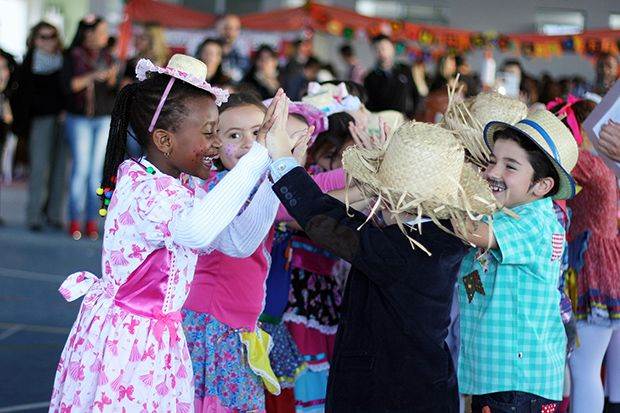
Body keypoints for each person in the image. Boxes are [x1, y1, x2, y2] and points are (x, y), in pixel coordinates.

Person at [49, 54, 282, 412]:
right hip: (129, 343)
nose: (217, 144)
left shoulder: (180, 185)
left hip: (158, 338)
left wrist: (272, 171)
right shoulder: (146, 190)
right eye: (209, 132)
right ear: (164, 140)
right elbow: (198, 232)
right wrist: (257, 157)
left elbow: (238, 242)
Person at [264, 112, 498, 411]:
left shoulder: (401, 249)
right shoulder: (443, 235)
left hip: (390, 396)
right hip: (424, 388)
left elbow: (326, 219)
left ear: (388, 199)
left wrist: (283, 160)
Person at [456, 110, 578, 412]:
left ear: (542, 186)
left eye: (510, 166)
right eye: (491, 161)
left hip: (517, 383)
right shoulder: (503, 213)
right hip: (502, 379)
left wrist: (438, 193)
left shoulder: (535, 221)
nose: (492, 172)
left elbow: (469, 231)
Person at [182, 92, 296, 412]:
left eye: (259, 132)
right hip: (213, 326)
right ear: (215, 145)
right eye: (235, 135)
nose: (249, 144)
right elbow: (300, 204)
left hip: (239, 325)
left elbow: (310, 196)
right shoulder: (222, 187)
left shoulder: (259, 183)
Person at [546, 98, 620, 413]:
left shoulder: (589, 162)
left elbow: (547, 158)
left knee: (583, 367)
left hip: (593, 272)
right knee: (594, 368)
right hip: (604, 270)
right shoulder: (606, 164)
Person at [61, 15, 118, 240]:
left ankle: (92, 220)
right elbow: (69, 86)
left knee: (96, 171)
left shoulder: (109, 56)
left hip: (103, 118)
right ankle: (75, 218)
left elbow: (113, 91)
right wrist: (93, 76)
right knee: (81, 169)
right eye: (101, 31)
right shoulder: (72, 55)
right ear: (88, 33)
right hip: (79, 118)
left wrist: (112, 77)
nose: (105, 35)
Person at [12, 22, 67, 231]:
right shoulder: (29, 62)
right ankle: (33, 215)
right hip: (39, 121)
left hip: (62, 120)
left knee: (59, 169)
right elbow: (21, 96)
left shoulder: (63, 60)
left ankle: (53, 214)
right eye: (43, 37)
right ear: (34, 40)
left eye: (52, 36)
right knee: (39, 168)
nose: (47, 41)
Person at [364, 34, 420, 119]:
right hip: (381, 121)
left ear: (392, 48)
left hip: (403, 120)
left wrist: (411, 115)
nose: (381, 52)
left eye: (384, 48)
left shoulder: (405, 70)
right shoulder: (370, 78)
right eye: (377, 49)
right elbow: (369, 105)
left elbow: (415, 94)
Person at [121, 23, 169, 87]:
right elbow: (124, 87)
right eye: (136, 36)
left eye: (142, 38)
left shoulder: (167, 64)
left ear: (154, 41)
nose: (137, 40)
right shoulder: (132, 62)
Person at [217, 14, 250, 83]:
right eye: (226, 28)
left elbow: (244, 71)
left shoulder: (242, 51)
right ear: (219, 28)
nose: (230, 32)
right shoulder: (208, 48)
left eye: (236, 29)